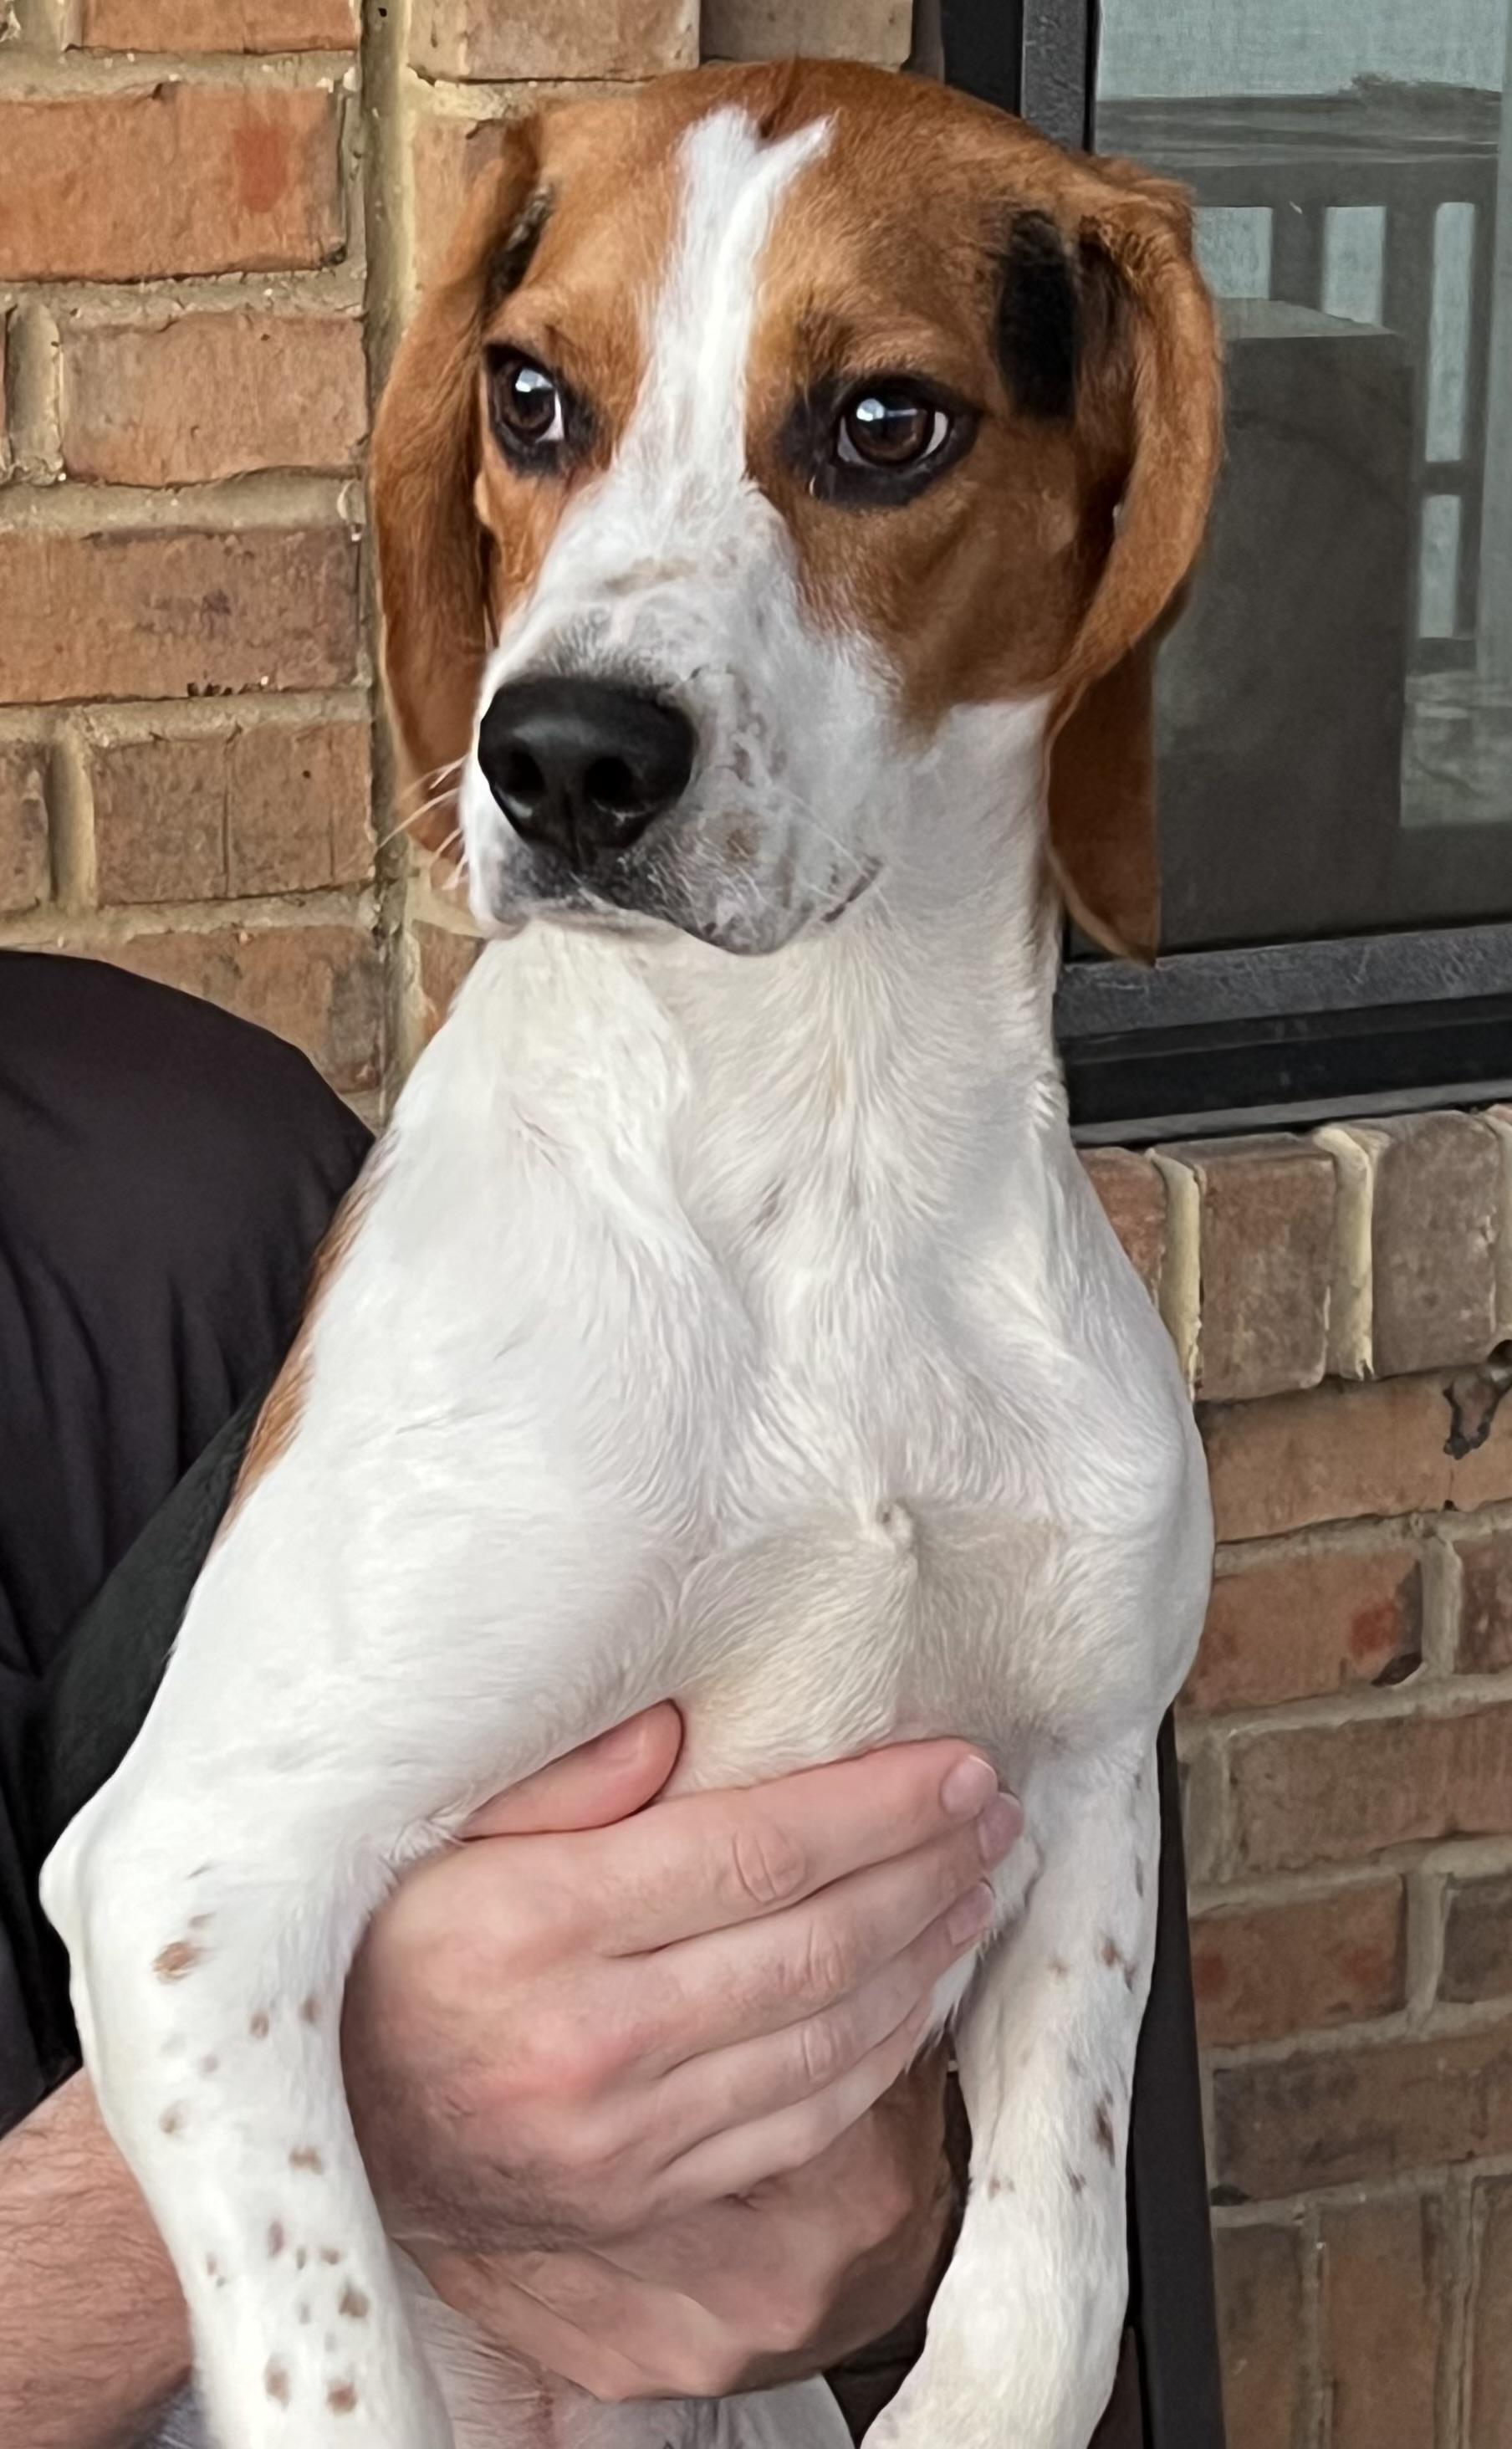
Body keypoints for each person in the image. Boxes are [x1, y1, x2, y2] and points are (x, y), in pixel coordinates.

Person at [0, 948, 1217, 2447]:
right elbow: (176, 1900)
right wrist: (384, 2106)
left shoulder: (190, 1166)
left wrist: (889, 2202)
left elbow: (1018, 1818)